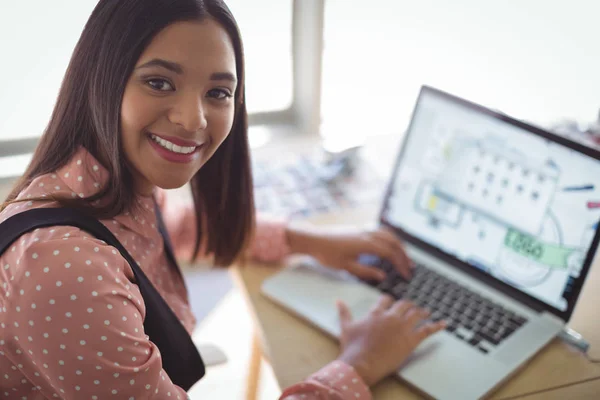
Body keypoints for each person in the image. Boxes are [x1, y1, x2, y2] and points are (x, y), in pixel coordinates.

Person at [0, 0, 445, 398]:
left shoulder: (103, 184)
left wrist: (304, 240)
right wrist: (358, 366)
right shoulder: (63, 266)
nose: (192, 119)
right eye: (159, 82)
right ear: (102, 80)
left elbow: (177, 228)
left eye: (218, 93)